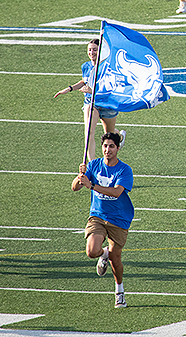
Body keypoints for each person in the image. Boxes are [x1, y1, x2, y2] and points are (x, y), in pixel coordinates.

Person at [72, 131, 133, 308]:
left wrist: (92, 186)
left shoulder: (124, 169)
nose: (107, 150)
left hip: (119, 218)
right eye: (105, 146)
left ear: (118, 148)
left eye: (111, 146)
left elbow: (116, 192)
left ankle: (119, 291)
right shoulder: (94, 165)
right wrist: (80, 177)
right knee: (91, 251)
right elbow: (75, 188)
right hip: (98, 215)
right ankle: (103, 253)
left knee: (116, 258)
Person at [53, 39, 119, 161]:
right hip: (91, 103)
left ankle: (119, 135)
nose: (92, 52)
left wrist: (92, 91)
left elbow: (110, 88)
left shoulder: (108, 67)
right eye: (89, 49)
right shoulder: (86, 66)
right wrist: (70, 88)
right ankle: (92, 165)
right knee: (89, 133)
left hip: (107, 104)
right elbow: (84, 81)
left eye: (95, 49)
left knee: (110, 137)